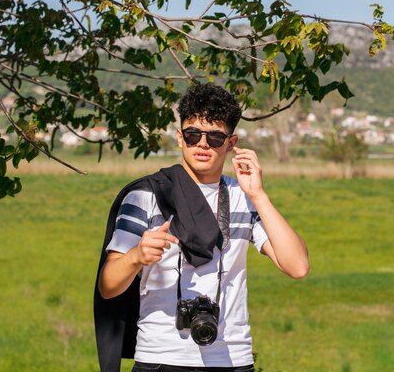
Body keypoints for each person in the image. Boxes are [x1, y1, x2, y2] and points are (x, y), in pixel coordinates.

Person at [94, 83, 309, 372]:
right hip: (160, 357)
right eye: (193, 134)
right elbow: (108, 287)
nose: (203, 144)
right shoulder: (146, 196)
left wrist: (258, 194)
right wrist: (136, 257)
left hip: (232, 357)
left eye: (215, 137)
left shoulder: (243, 198)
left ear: (231, 143)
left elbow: (297, 266)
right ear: (180, 138)